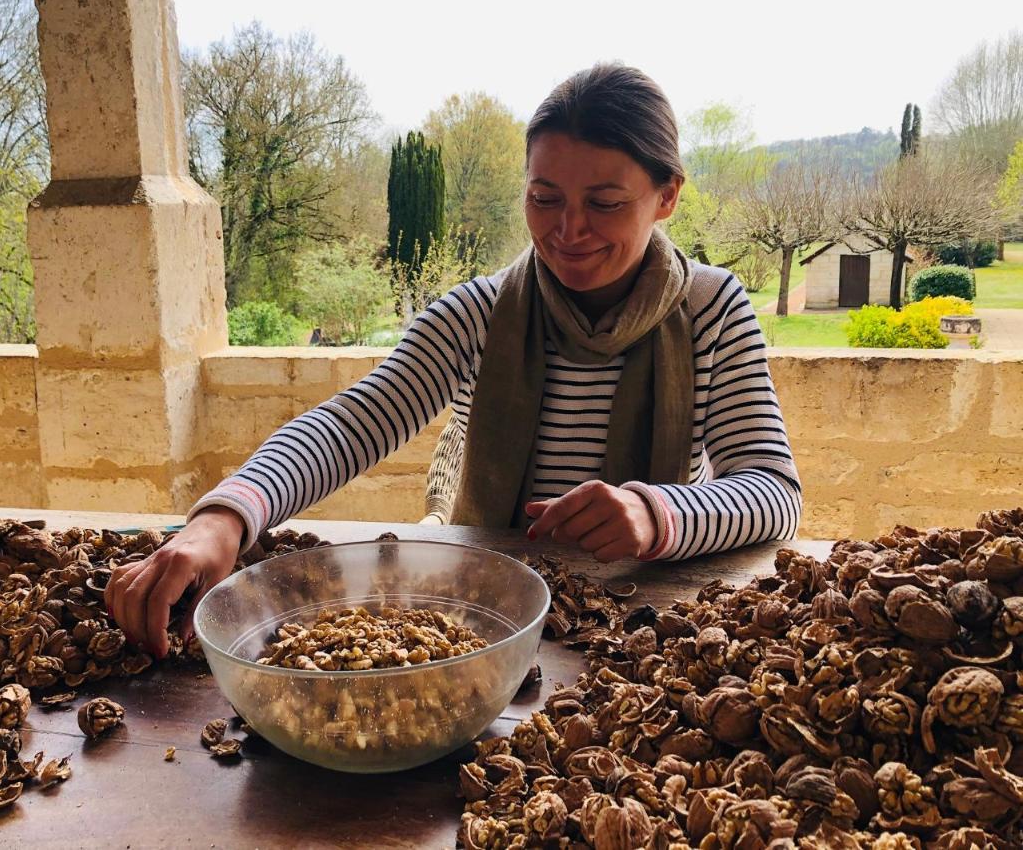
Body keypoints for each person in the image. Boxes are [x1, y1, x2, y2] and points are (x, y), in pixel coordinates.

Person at [106, 63, 802, 657]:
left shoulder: (713, 308)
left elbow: (773, 492)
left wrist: (657, 514)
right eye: (544, 198)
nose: (568, 230)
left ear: (667, 196)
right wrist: (221, 521)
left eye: (607, 203)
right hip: (489, 629)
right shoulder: (480, 313)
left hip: (653, 632)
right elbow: (350, 425)